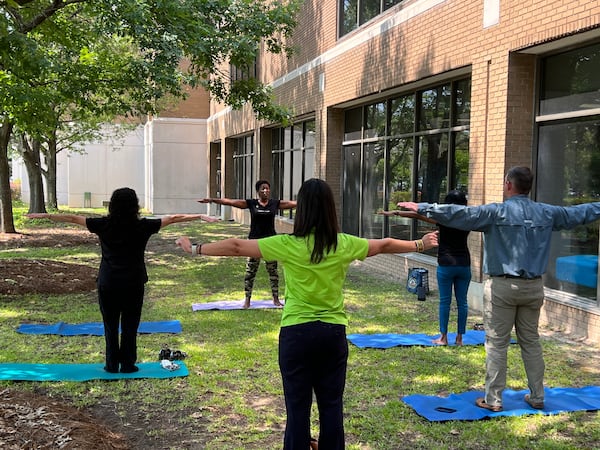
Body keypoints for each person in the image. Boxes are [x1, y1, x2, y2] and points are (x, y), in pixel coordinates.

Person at [178, 178, 438, 449]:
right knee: (331, 409)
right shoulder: (344, 244)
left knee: (297, 411)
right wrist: (419, 244)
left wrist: (195, 248)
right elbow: (383, 244)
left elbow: (236, 246)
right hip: (331, 335)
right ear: (329, 209)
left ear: (300, 210)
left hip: (296, 335)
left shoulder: (288, 244)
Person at [398, 166, 600, 412]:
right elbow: (578, 213)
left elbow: (461, 214)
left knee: (496, 343)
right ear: (529, 186)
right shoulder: (547, 213)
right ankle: (537, 396)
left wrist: (423, 207)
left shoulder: (497, 212)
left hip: (502, 287)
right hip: (534, 287)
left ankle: (493, 400)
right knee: (531, 342)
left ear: (508, 185)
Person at [26, 187, 218, 374]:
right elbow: (174, 218)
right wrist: (200, 216)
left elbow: (73, 218)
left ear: (112, 205)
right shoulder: (143, 226)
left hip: (108, 282)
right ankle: (127, 365)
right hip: (133, 283)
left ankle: (111, 365)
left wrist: (46, 216)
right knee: (130, 325)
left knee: (110, 326)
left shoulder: (103, 224)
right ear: (135, 205)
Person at [381, 190, 471, 346]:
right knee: (462, 303)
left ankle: (443, 338)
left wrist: (395, 212)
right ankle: (459, 339)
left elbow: (417, 215)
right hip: (464, 265)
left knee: (445, 302)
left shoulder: (444, 220)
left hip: (446, 264)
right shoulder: (469, 221)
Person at [198, 180, 296, 308]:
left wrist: (312, 201)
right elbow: (231, 202)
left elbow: (292, 204)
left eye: (267, 188)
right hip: (253, 243)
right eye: (263, 189)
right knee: (250, 272)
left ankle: (276, 299)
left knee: (273, 273)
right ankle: (247, 300)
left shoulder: (274, 204)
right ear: (258, 191)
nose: (265, 191)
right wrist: (212, 200)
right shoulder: (251, 203)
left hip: (271, 243)